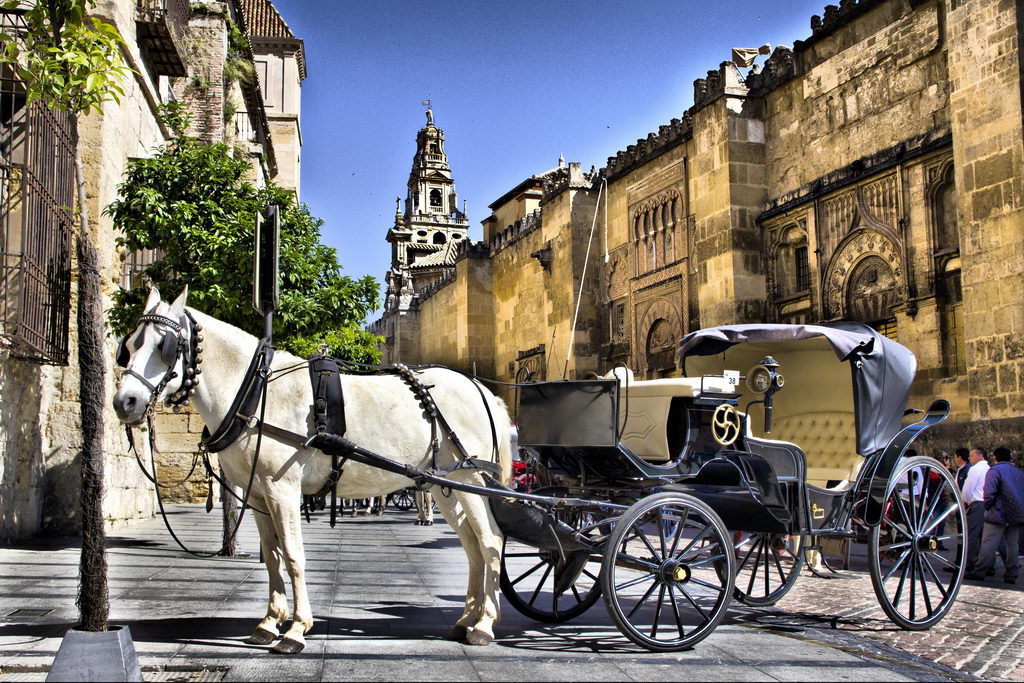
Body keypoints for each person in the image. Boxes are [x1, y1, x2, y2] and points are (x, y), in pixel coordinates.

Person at [966, 447, 1024, 583]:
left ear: (995, 458)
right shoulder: (1019, 473)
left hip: (997, 512)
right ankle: (1012, 573)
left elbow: (988, 492)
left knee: (988, 543)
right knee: (1012, 544)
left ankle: (980, 571)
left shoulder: (994, 471)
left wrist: (988, 506)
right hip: (1015, 513)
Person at [961, 446, 990, 574]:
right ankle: (989, 565)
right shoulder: (989, 469)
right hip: (988, 504)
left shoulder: (975, 469)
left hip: (977, 504)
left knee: (972, 536)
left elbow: (967, 490)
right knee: (986, 537)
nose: (969, 458)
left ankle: (968, 563)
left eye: (972, 455)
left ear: (980, 456)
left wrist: (965, 501)